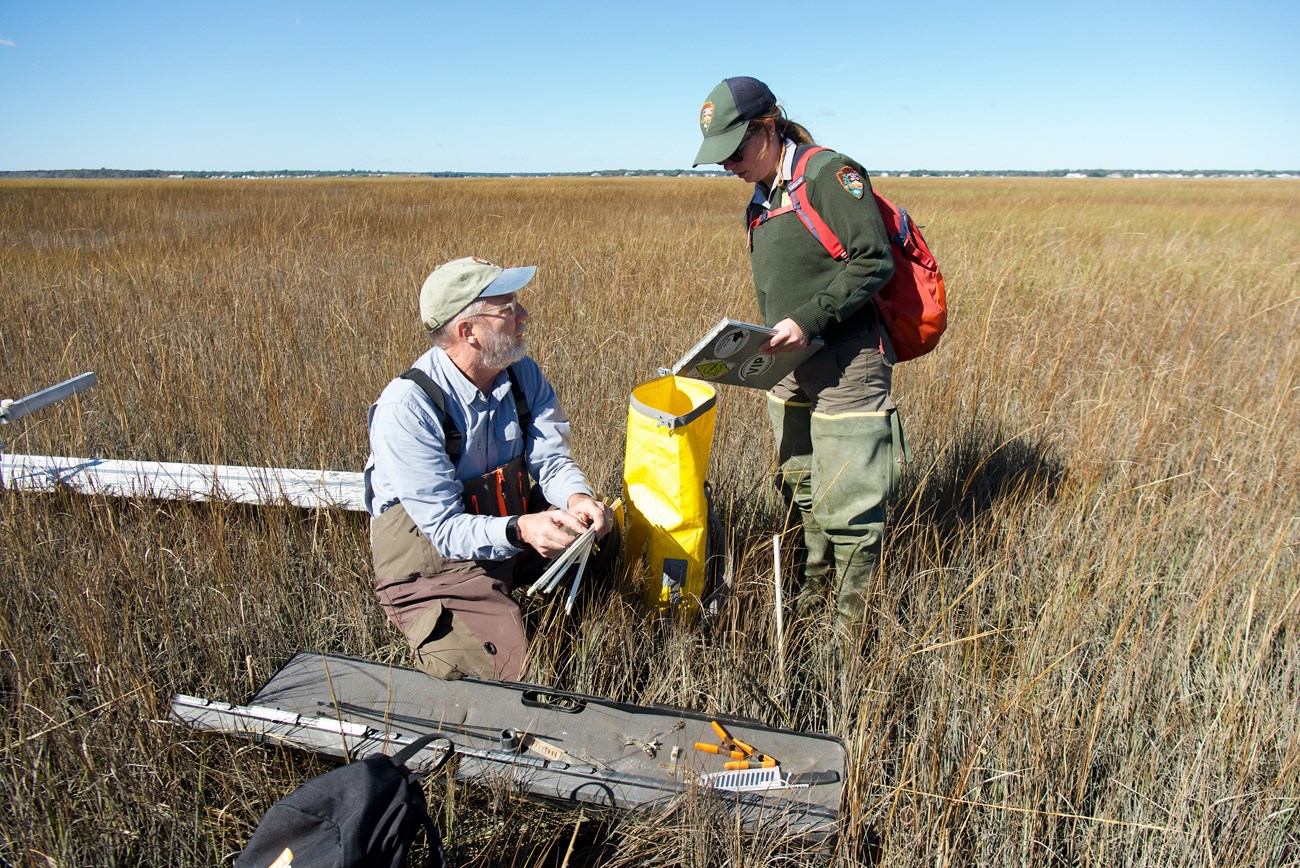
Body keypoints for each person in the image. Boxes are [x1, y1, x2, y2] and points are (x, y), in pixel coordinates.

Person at [693, 76, 901, 628]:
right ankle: (811, 605)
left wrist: (807, 322)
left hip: (847, 363)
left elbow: (874, 261)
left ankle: (847, 636)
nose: (728, 166)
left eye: (734, 151)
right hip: (788, 367)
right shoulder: (758, 203)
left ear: (768, 127)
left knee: (850, 506)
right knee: (802, 488)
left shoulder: (831, 174)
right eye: (719, 158)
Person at [364, 256, 614, 681]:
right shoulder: (407, 409)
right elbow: (444, 530)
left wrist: (577, 498)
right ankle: (509, 647)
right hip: (435, 568)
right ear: (468, 332)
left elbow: (550, 458)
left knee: (602, 543)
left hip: (506, 531)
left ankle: (558, 642)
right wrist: (522, 529)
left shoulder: (521, 374)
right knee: (520, 679)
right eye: (508, 308)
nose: (524, 317)